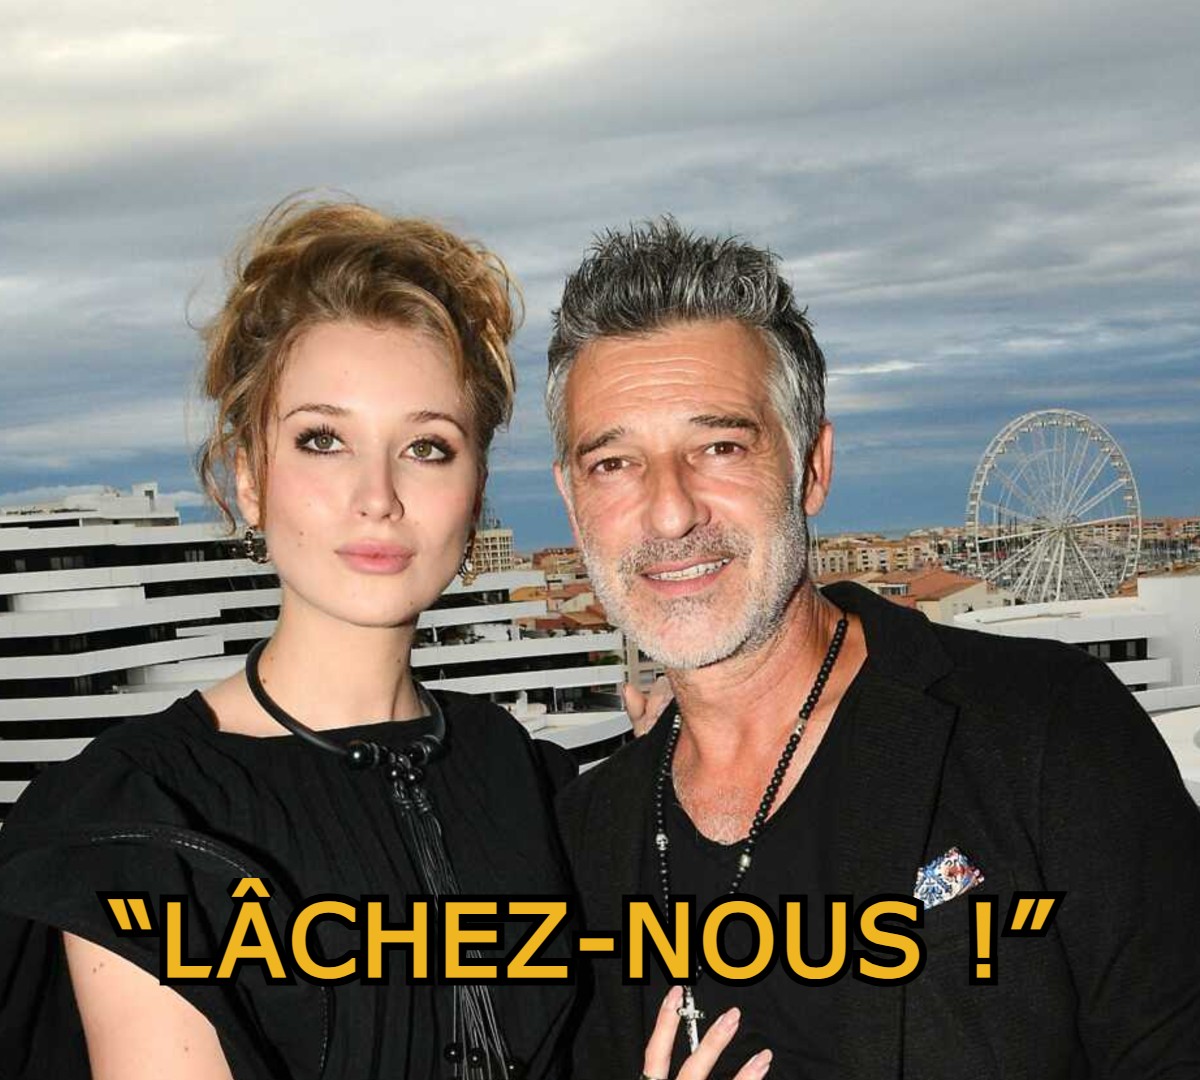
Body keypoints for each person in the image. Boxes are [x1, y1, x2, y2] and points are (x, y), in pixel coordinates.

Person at [546, 218, 1200, 1079]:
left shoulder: (1046, 732)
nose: (670, 512)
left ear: (812, 468)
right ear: (572, 501)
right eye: (614, 463)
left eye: (719, 446)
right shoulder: (585, 836)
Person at [0, 200, 577, 1080]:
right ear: (249, 479)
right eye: (323, 440)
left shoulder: (519, 772)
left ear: (476, 489)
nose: (377, 496)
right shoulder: (139, 816)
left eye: (427, 447)